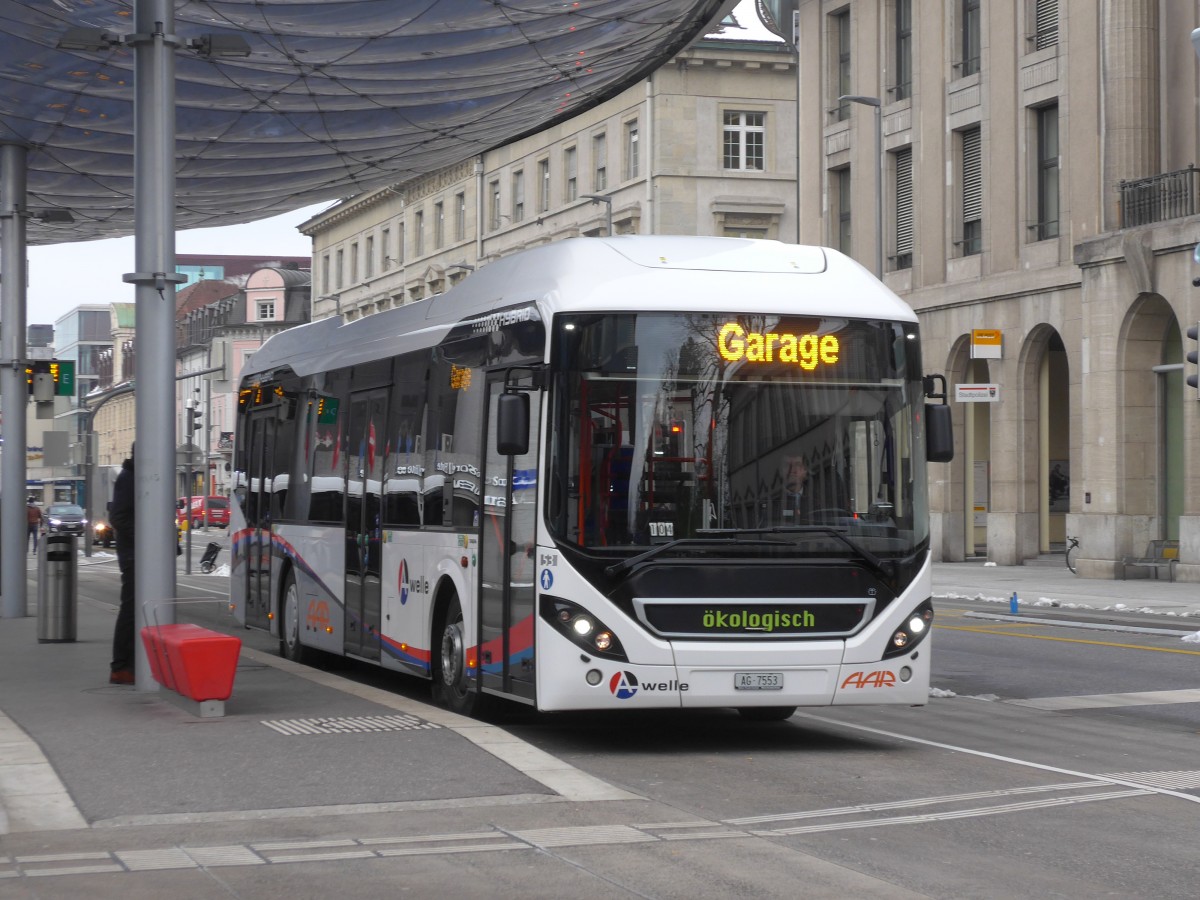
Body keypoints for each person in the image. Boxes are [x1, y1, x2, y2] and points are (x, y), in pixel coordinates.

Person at [109, 448, 136, 685]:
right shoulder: (129, 478)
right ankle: (121, 666)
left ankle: (128, 664)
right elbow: (118, 516)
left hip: (136, 554)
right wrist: (146, 536)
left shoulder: (135, 475)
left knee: (135, 609)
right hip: (133, 556)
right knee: (130, 609)